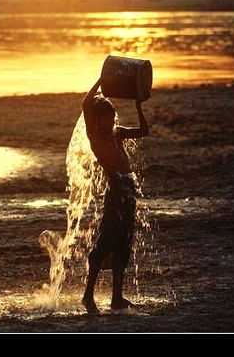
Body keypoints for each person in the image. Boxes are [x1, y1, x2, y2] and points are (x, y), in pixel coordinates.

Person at [81, 75, 148, 314]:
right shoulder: (95, 137)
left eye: (111, 117)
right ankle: (88, 296)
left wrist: (139, 106)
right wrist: (101, 78)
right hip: (115, 190)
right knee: (105, 241)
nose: (109, 121)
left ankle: (117, 297)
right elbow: (86, 103)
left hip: (128, 190)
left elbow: (143, 131)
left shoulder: (117, 132)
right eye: (105, 118)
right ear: (97, 121)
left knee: (123, 244)